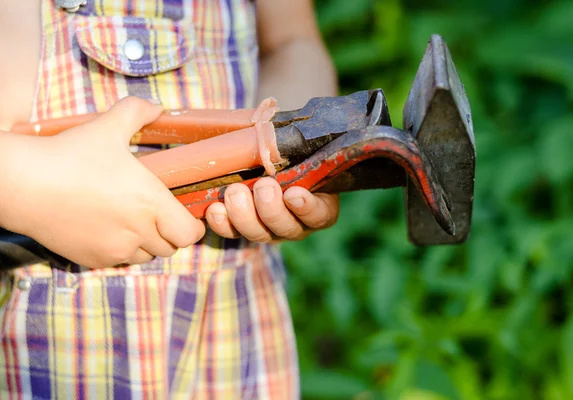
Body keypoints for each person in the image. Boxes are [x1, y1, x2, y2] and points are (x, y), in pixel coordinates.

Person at [0, 0, 339, 398]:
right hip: (35, 341)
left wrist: (297, 154)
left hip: (230, 334)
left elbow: (291, 40)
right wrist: (29, 183)